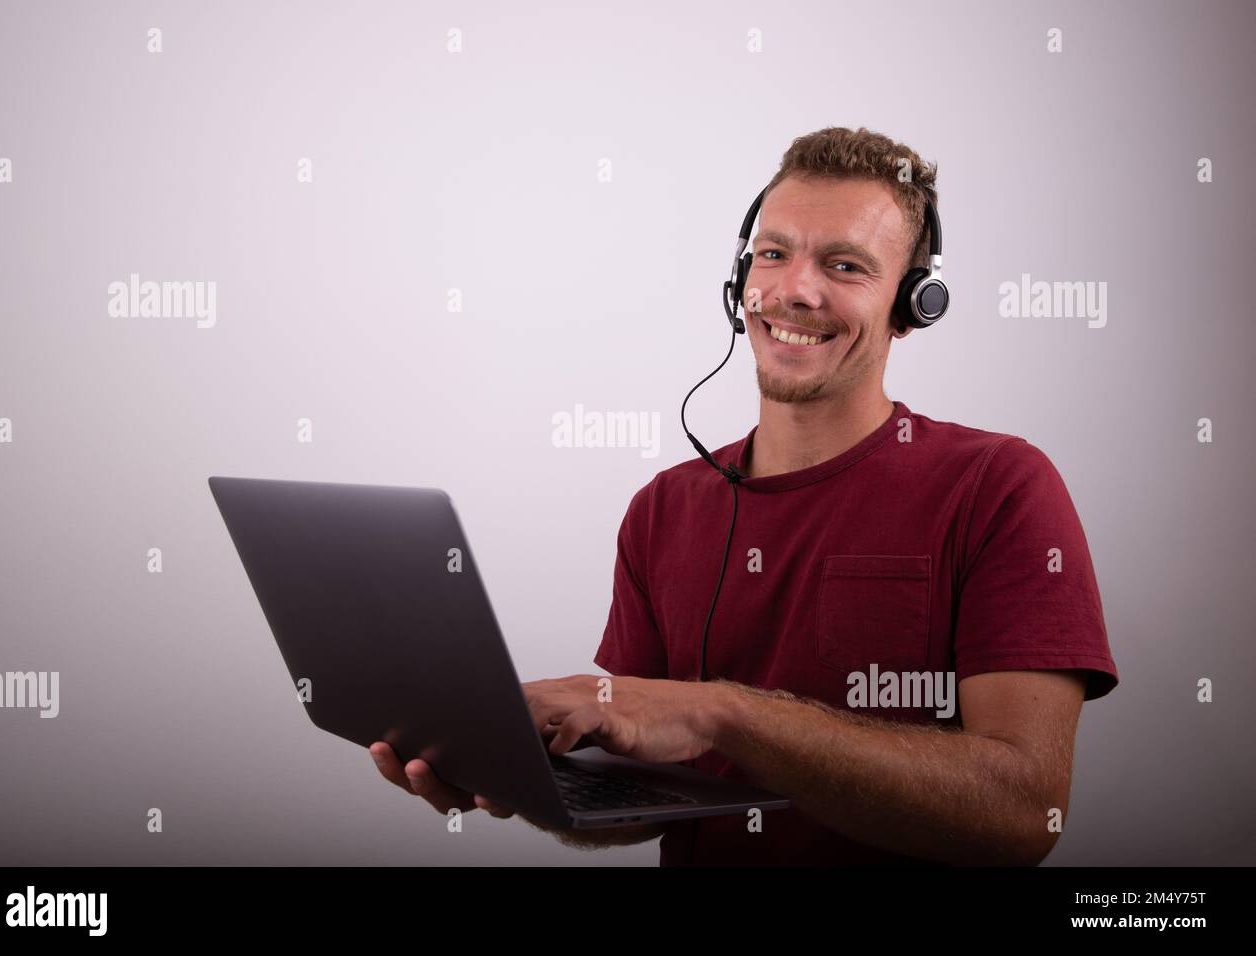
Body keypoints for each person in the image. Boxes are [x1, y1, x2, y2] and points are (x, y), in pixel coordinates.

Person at [370, 126, 1119, 865]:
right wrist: (520, 776)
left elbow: (1025, 813)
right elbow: (648, 801)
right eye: (772, 254)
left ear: (912, 305)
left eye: (846, 265)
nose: (793, 289)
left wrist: (719, 711)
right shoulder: (662, 509)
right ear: (739, 280)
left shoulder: (1000, 487)